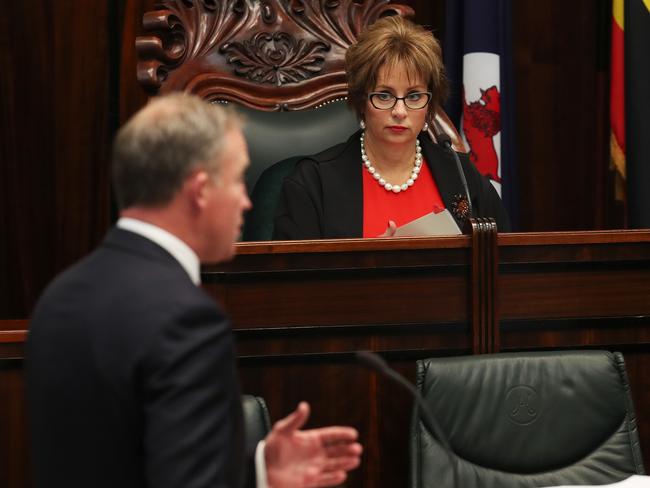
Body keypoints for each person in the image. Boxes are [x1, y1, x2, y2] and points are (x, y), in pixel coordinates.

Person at [26, 93, 362, 488]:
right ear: (200, 190)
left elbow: (126, 457)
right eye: (238, 179)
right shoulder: (186, 319)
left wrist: (257, 474)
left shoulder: (58, 297)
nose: (247, 201)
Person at [273, 16, 510, 239]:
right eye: (384, 95)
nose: (400, 111)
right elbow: (292, 282)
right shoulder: (313, 183)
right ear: (361, 100)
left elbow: (503, 264)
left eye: (414, 96)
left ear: (430, 104)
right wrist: (369, 264)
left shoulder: (462, 175)